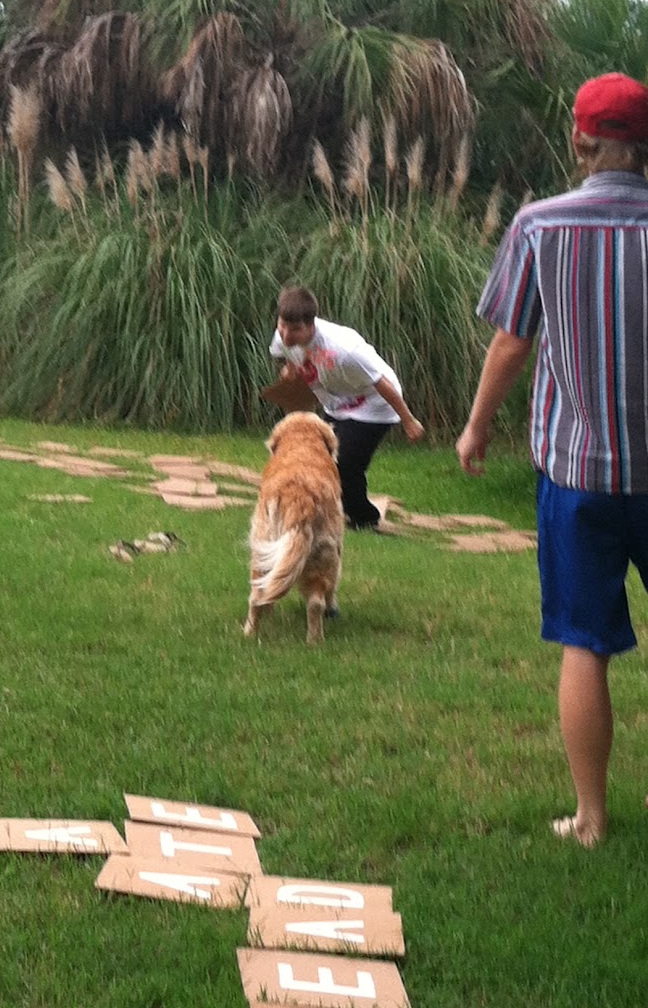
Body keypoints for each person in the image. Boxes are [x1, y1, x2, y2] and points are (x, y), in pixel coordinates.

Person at [457, 71, 648, 847]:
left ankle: (591, 819)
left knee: (583, 643)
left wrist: (473, 429)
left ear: (579, 140)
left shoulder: (540, 226)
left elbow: (510, 342)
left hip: (577, 475)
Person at [269, 285, 425, 529]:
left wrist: (408, 421)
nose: (287, 335)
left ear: (311, 325)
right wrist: (290, 371)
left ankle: (364, 518)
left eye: (295, 330)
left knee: (346, 463)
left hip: (375, 404)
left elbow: (381, 383)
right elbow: (289, 354)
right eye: (283, 326)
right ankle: (326, 507)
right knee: (319, 455)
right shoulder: (284, 335)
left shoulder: (343, 349)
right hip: (337, 401)